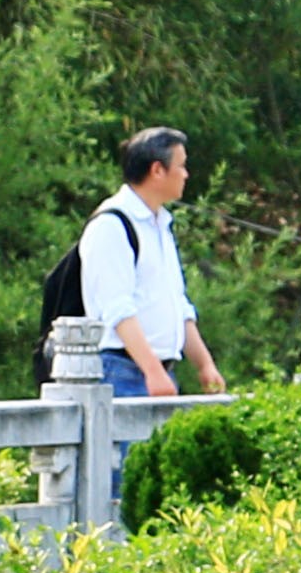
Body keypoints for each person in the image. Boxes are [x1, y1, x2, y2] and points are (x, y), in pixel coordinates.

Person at [77, 126, 223, 398]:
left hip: (158, 372)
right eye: (181, 166)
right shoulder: (112, 225)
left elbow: (178, 304)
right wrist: (153, 371)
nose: (186, 174)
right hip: (123, 371)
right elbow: (117, 308)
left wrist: (204, 365)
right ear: (157, 170)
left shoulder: (160, 224)